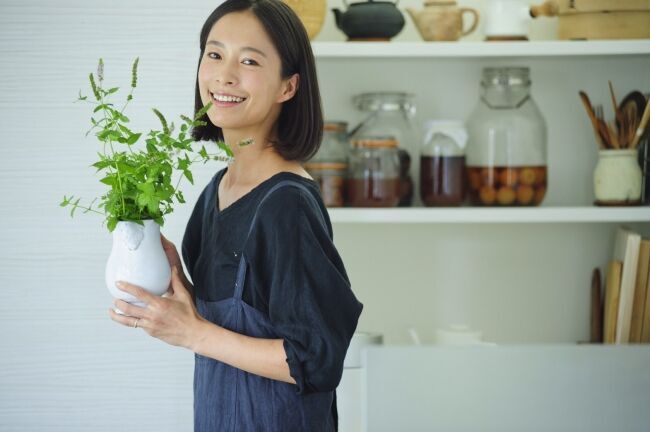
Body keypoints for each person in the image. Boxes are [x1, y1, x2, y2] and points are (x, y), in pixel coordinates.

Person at [108, 0, 364, 430]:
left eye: (249, 60)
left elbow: (316, 358)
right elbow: (241, 320)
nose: (224, 75)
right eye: (214, 53)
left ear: (288, 86)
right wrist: (179, 299)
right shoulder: (217, 190)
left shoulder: (287, 204)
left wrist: (192, 332)